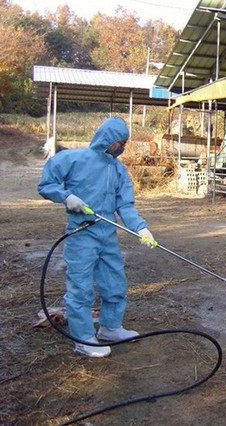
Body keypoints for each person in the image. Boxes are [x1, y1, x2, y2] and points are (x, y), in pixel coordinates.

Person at [38, 116, 155, 358]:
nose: (122, 147)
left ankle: (111, 328)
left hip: (107, 232)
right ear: (108, 139)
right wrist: (66, 196)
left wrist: (140, 228)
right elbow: (46, 184)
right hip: (82, 233)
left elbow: (125, 205)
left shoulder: (118, 169)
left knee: (114, 282)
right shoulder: (72, 158)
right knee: (80, 286)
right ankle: (83, 337)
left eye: (125, 143)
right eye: (120, 142)